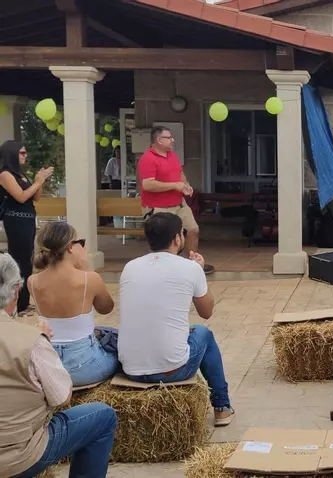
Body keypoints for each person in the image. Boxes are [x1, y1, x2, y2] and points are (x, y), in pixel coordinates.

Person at [0, 253, 117, 478]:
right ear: (16, 291)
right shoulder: (32, 340)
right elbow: (61, 397)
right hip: (19, 457)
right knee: (104, 416)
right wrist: (43, 342)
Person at [117, 212, 234, 426]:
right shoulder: (190, 268)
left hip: (131, 370)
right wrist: (199, 272)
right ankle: (222, 406)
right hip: (171, 370)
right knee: (203, 333)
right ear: (177, 238)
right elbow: (207, 311)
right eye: (183, 232)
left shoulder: (129, 267)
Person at [29, 221, 119, 387]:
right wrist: (85, 270)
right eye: (81, 243)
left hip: (50, 367)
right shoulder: (89, 278)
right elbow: (107, 308)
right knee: (118, 346)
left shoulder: (32, 281)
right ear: (70, 247)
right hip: (85, 368)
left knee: (103, 331)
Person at [138, 126, 213, 274]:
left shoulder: (172, 155)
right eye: (169, 137)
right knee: (165, 240)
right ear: (159, 140)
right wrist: (174, 185)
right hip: (159, 207)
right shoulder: (147, 159)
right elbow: (147, 184)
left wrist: (185, 185)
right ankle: (165, 270)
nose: (173, 140)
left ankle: (193, 265)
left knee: (193, 230)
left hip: (179, 204)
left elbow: (180, 173)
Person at [0, 140, 53, 314]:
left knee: (27, 260)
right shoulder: (5, 174)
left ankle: (24, 301)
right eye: (22, 152)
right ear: (12, 154)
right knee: (19, 260)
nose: (25, 155)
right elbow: (21, 197)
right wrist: (37, 182)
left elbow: (35, 197)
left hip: (28, 220)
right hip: (15, 220)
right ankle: (17, 303)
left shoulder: (21, 174)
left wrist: (40, 181)